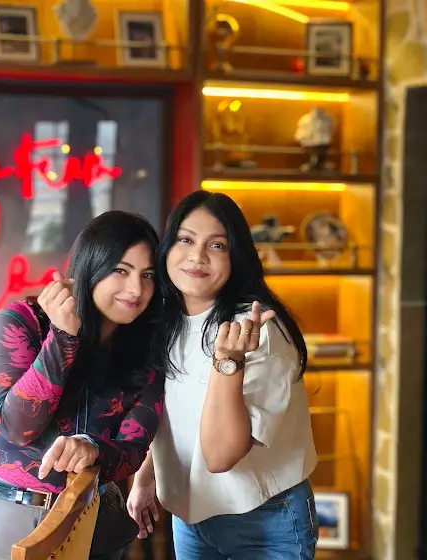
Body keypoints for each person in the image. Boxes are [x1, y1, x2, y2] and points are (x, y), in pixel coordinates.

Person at [0, 210, 165, 560]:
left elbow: (134, 448)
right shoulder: (22, 323)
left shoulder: (146, 354)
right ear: (90, 268)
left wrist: (92, 448)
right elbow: (17, 427)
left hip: (89, 516)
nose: (136, 289)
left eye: (147, 275)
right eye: (121, 270)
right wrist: (62, 337)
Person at [127, 191, 318, 559]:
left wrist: (227, 361)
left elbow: (219, 456)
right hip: (191, 515)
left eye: (216, 245)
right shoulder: (165, 320)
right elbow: (171, 411)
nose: (197, 256)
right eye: (185, 239)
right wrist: (146, 477)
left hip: (263, 520)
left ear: (236, 257)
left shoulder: (258, 330)